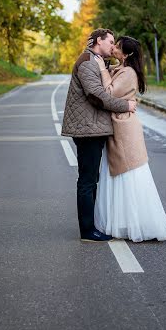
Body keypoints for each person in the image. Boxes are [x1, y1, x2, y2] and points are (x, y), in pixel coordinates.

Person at [94, 36, 166, 242]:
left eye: (118, 47)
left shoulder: (128, 72)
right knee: (119, 175)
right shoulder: (121, 68)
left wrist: (103, 69)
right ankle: (124, 221)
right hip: (118, 126)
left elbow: (108, 93)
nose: (114, 48)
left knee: (128, 173)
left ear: (127, 54)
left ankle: (138, 223)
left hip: (125, 130)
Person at [61, 29, 137, 242]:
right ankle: (87, 231)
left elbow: (115, 76)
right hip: (87, 129)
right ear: (98, 41)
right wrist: (126, 105)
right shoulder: (87, 62)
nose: (113, 47)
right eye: (110, 42)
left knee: (92, 179)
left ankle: (92, 226)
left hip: (92, 128)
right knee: (87, 180)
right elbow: (97, 96)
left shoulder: (97, 61)